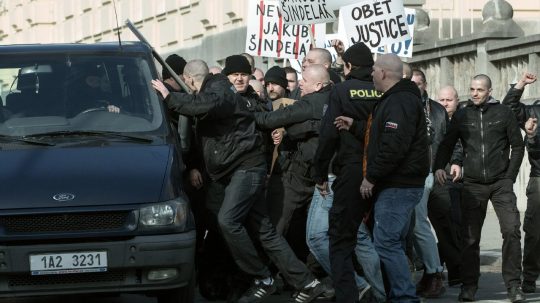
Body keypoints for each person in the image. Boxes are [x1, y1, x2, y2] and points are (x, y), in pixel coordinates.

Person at [151, 59, 325, 303]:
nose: (240, 79)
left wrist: (170, 97)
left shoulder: (218, 87)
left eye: (244, 74)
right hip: (239, 170)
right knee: (265, 231)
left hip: (246, 168)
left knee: (228, 220)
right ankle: (308, 283)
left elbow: (207, 104)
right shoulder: (219, 88)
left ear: (190, 80)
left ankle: (263, 279)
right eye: (236, 74)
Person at [433, 74, 525, 302]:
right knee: (470, 238)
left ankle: (514, 286)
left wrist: (509, 178)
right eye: (472, 89)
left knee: (512, 231)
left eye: (480, 90)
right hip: (472, 184)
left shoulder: (503, 113)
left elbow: (518, 146)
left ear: (490, 91)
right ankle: (469, 286)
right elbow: (446, 143)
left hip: (500, 183)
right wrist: (438, 167)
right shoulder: (462, 115)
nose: (474, 93)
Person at [310, 42, 386, 303]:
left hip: (352, 172)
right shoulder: (383, 90)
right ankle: (385, 292)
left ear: (349, 67)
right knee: (384, 240)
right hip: (384, 172)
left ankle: (348, 297)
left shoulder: (341, 90)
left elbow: (328, 135)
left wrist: (319, 174)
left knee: (340, 241)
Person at [361, 53, 429, 302]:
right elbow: (384, 136)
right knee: (393, 242)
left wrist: (371, 177)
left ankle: (404, 297)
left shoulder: (399, 101)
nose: (371, 75)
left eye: (374, 71)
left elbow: (393, 145)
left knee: (387, 242)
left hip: (398, 185)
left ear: (383, 73)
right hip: (398, 183)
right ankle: (399, 294)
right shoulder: (395, 99)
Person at [409, 69, 448, 297]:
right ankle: (427, 272)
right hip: (405, 172)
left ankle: (435, 273)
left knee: (419, 223)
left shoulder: (436, 110)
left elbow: (448, 139)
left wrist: (448, 163)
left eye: (419, 83)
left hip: (426, 172)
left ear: (425, 84)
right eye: (410, 83)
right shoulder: (401, 104)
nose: (415, 87)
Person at [501, 71, 540, 294]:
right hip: (539, 178)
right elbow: (508, 108)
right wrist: (521, 84)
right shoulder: (534, 111)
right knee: (535, 232)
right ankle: (530, 277)